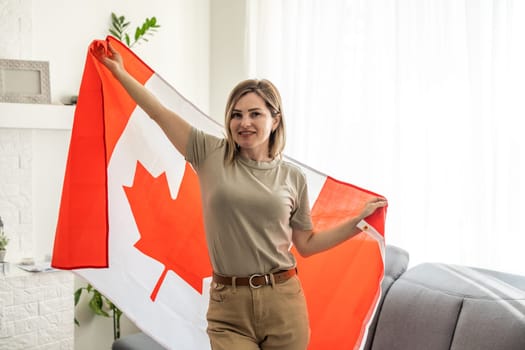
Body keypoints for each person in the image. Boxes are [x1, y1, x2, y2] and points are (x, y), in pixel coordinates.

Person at [92, 40, 387, 350]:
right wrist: (120, 73)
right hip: (227, 306)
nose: (244, 123)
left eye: (255, 114)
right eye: (236, 115)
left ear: (275, 121)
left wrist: (358, 222)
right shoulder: (208, 152)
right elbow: (159, 113)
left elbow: (307, 244)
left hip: (283, 303)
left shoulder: (292, 177)